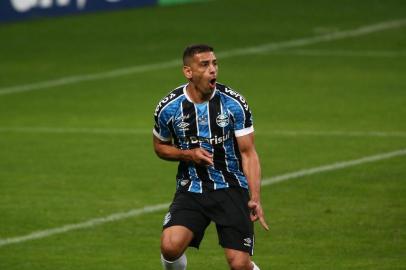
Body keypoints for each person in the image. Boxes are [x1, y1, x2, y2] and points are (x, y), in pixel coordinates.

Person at [153, 44, 268, 270]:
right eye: (204, 65)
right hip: (192, 188)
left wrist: (255, 197)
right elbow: (160, 147)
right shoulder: (169, 107)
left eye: (214, 63)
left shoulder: (234, 104)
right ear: (188, 72)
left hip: (231, 187)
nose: (212, 69)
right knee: (170, 246)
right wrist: (187, 154)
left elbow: (249, 153)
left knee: (238, 264)